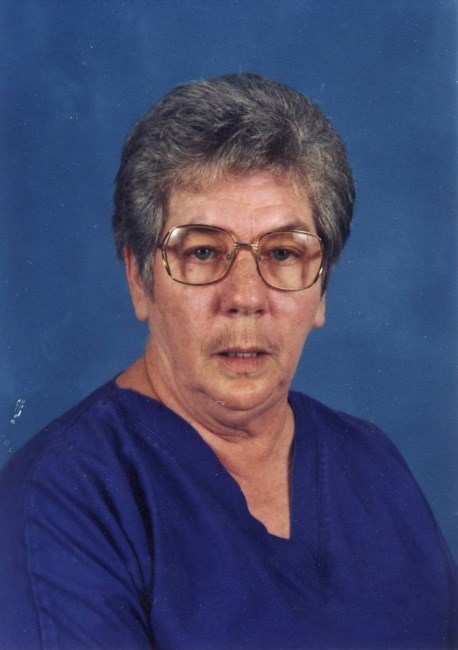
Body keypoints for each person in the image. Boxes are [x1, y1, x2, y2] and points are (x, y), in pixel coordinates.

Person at [0, 73, 456, 650]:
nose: (245, 296)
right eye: (202, 251)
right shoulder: (62, 502)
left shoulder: (373, 464)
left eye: (283, 252)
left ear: (322, 288)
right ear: (139, 279)